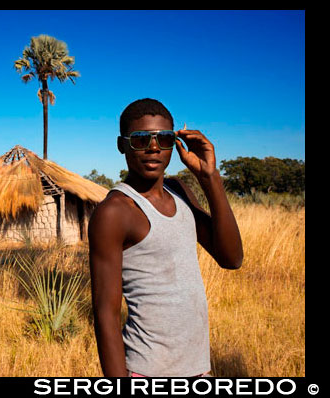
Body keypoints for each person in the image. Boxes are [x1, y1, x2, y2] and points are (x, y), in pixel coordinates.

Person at [88, 98, 243, 377]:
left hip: (198, 370)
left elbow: (231, 258)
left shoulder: (179, 191)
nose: (154, 148)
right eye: (141, 139)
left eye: (165, 139)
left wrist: (210, 177)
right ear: (122, 144)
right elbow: (105, 314)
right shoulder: (115, 212)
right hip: (147, 371)